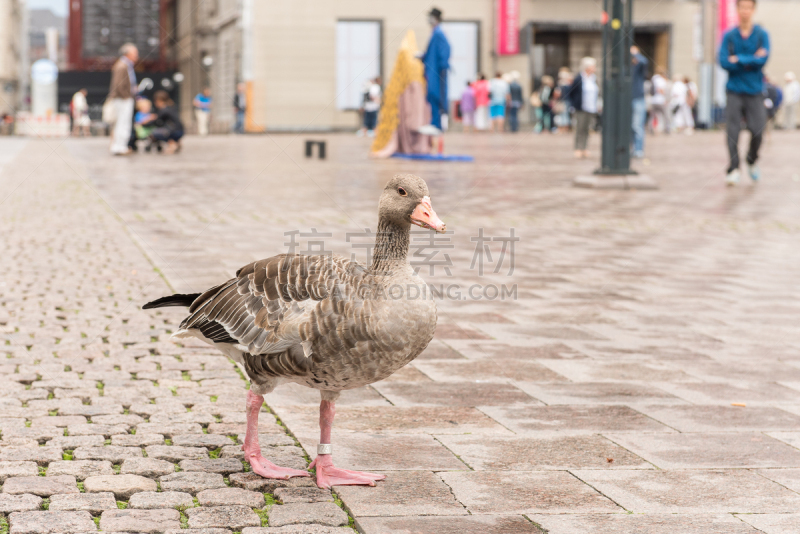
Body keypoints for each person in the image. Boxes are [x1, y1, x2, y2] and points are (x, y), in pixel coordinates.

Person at [719, 0, 770, 186]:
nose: (745, 11)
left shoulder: (761, 34)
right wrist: (751, 59)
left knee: (758, 130)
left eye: (749, 7)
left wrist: (738, 59)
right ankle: (733, 168)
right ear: (737, 9)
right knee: (732, 131)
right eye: (742, 7)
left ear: (753, 10)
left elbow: (763, 60)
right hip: (734, 91)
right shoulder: (729, 36)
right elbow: (724, 61)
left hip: (755, 91)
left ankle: (751, 159)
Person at [418, 7, 450, 135]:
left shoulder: (439, 33)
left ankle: (437, 125)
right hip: (432, 70)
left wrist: (442, 67)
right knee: (432, 95)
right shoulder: (435, 32)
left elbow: (446, 49)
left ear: (434, 18)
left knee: (437, 96)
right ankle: (434, 123)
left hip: (437, 71)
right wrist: (423, 56)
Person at [107, 43, 138, 155]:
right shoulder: (122, 65)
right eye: (135, 53)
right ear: (128, 53)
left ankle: (120, 146)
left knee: (123, 123)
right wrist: (126, 96)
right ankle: (120, 146)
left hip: (124, 98)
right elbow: (118, 84)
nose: (137, 56)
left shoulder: (125, 65)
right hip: (122, 99)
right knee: (123, 123)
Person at [566, 57, 599, 159]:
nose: (595, 68)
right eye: (593, 66)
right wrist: (574, 105)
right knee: (579, 129)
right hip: (580, 108)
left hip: (591, 108)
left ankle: (584, 148)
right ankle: (578, 148)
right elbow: (571, 93)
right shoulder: (579, 78)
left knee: (587, 129)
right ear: (587, 67)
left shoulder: (594, 78)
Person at [145, 90, 184, 154]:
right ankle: (176, 141)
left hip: (172, 131)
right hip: (180, 131)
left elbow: (156, 121)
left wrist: (146, 121)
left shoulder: (164, 110)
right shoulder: (171, 107)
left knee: (154, 133)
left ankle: (172, 143)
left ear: (158, 101)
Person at [630, 45, 649, 158]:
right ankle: (632, 148)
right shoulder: (629, 67)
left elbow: (644, 61)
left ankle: (638, 149)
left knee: (637, 125)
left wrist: (635, 53)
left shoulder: (639, 66)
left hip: (638, 99)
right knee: (630, 127)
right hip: (629, 99)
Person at [650, 67, 670, 133]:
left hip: (653, 100)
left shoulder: (654, 78)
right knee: (666, 116)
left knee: (653, 116)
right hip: (661, 100)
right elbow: (660, 89)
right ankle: (667, 129)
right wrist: (666, 97)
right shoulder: (661, 80)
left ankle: (651, 128)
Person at [554, 67, 573, 133]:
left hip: (563, 101)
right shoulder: (568, 84)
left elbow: (558, 94)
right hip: (567, 100)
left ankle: (563, 128)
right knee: (565, 114)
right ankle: (565, 128)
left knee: (563, 114)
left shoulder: (562, 84)